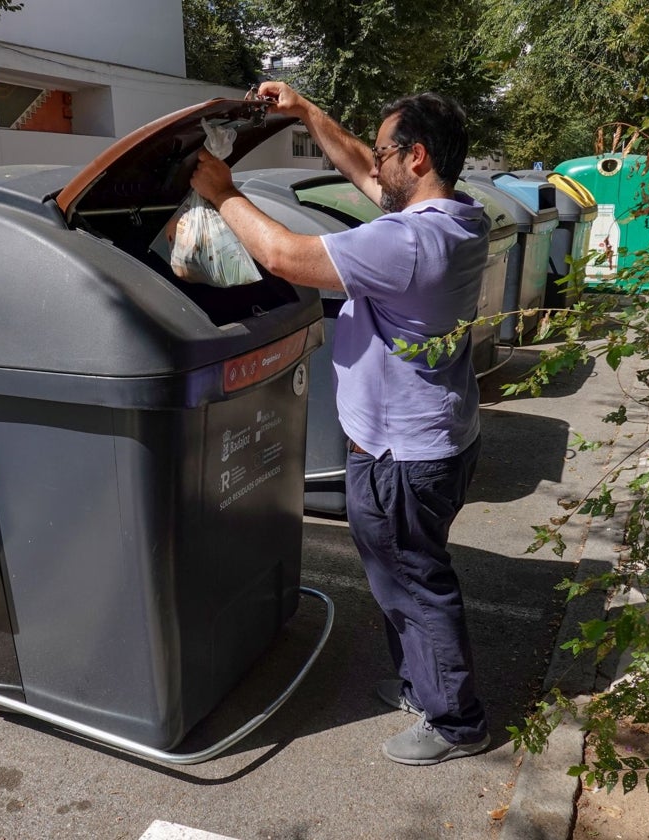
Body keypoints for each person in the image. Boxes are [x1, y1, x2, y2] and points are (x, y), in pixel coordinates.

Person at [190, 81, 490, 765]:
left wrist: (222, 192)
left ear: (415, 159)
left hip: (400, 457)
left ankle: (456, 720)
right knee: (404, 576)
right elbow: (364, 171)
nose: (373, 164)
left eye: (387, 154)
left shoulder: (407, 242)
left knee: (415, 581)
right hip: (437, 437)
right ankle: (425, 684)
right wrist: (307, 113)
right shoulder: (459, 217)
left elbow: (285, 257)